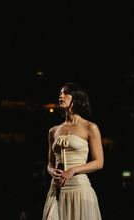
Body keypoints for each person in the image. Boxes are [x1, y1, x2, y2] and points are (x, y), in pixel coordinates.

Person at [42, 82, 104, 220]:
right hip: (56, 189)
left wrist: (73, 170)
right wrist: (52, 171)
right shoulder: (53, 131)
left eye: (65, 93)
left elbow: (99, 162)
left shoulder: (90, 127)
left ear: (76, 98)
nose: (61, 96)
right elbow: (50, 163)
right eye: (60, 93)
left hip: (79, 188)